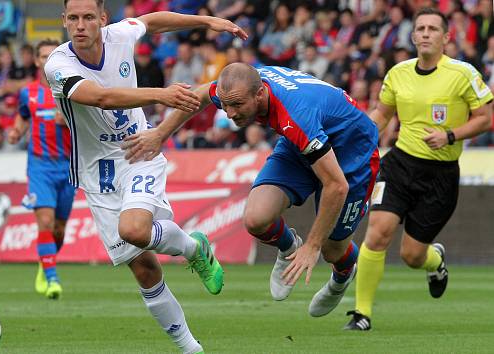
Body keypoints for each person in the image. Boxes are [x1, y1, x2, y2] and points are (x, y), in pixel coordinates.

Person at [44, 1, 247, 353]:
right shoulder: (58, 65)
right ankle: (191, 334)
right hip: (98, 172)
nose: (81, 25)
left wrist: (208, 20)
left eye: (89, 17)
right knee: (144, 270)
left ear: (102, 20)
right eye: (73, 18)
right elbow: (103, 98)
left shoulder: (120, 35)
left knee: (135, 231)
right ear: (63, 21)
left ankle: (191, 253)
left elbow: (152, 22)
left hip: (141, 149)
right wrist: (161, 94)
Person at [123, 62, 380, 318]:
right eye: (225, 105)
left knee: (331, 249)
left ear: (260, 95)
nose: (230, 113)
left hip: (352, 153)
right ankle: (288, 248)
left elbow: (336, 185)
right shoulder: (238, 87)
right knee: (256, 219)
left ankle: (342, 276)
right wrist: (160, 133)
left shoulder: (296, 115)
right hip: (302, 144)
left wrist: (312, 246)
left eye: (236, 105)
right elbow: (200, 95)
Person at [343, 8, 493, 331]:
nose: (425, 33)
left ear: (446, 37)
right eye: (420, 29)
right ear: (413, 37)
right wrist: (355, 135)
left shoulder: (463, 73)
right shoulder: (398, 73)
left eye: (433, 29)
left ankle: (434, 261)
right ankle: (361, 314)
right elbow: (382, 115)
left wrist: (450, 135)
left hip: (440, 175)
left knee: (411, 256)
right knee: (377, 233)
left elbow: (486, 118)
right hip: (399, 164)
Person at [8, 39, 77, 300]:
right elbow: (24, 115)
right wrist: (17, 131)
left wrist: (69, 120)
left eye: (52, 55)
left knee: (58, 228)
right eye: (43, 56)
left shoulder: (72, 90)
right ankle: (52, 278)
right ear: (36, 61)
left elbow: (88, 125)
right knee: (45, 222)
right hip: (39, 166)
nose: (48, 60)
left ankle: (45, 262)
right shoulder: (29, 93)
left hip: (68, 166)